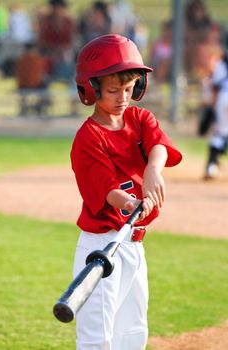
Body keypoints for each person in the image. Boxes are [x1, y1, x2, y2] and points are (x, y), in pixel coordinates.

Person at [70, 34, 182, 350]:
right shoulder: (88, 138)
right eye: (113, 90)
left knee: (133, 330)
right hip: (102, 245)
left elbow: (158, 144)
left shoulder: (138, 118)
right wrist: (132, 201)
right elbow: (107, 191)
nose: (123, 97)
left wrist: (152, 170)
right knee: (98, 336)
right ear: (91, 90)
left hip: (133, 243)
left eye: (130, 89)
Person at [204, 50, 228, 179]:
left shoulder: (223, 62)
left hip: (225, 97)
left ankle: (211, 166)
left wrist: (212, 109)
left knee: (220, 132)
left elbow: (215, 86)